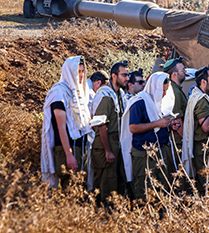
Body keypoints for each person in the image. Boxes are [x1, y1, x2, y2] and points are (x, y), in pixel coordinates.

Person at [120, 72, 180, 200]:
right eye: (162, 91)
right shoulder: (139, 103)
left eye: (166, 91)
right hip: (144, 154)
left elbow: (159, 126)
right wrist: (156, 123)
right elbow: (133, 127)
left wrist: (169, 126)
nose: (164, 94)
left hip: (160, 151)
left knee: (162, 187)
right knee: (145, 189)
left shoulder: (159, 103)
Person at [41, 56, 93, 188]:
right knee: (70, 188)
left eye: (82, 71)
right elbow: (61, 127)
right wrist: (68, 154)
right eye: (78, 72)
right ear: (70, 72)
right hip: (68, 150)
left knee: (81, 189)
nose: (81, 75)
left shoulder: (78, 94)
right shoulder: (59, 93)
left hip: (80, 148)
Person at [91, 61, 128, 203]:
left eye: (127, 75)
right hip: (106, 143)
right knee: (107, 183)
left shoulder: (119, 94)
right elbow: (101, 125)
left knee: (118, 181)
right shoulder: (106, 95)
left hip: (117, 142)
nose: (127, 78)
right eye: (124, 75)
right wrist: (107, 150)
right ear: (114, 76)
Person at [182, 64, 209, 195]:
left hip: (202, 148)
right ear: (203, 82)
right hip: (205, 150)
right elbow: (206, 127)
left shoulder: (197, 96)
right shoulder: (202, 101)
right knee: (208, 183)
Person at [163, 56, 187, 177]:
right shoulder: (174, 92)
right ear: (174, 75)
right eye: (182, 70)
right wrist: (186, 141)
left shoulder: (176, 90)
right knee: (179, 175)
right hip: (178, 141)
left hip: (177, 140)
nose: (185, 72)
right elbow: (177, 119)